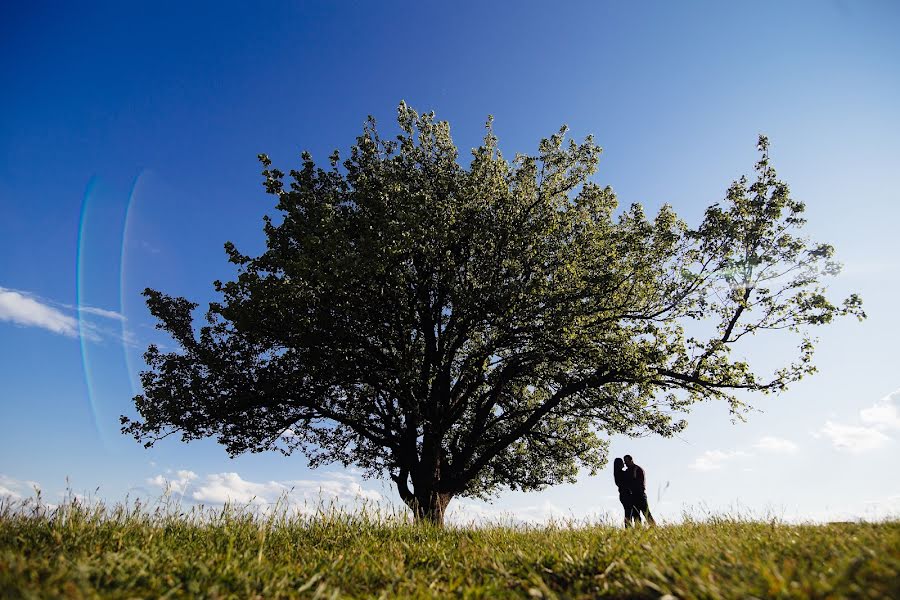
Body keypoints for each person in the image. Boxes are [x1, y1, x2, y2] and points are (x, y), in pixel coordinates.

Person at [624, 454, 655, 525]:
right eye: (625, 462)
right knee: (636, 516)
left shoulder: (637, 469)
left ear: (631, 460)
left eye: (626, 461)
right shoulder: (629, 470)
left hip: (640, 495)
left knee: (646, 513)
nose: (625, 463)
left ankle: (654, 527)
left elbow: (639, 483)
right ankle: (638, 530)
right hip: (633, 495)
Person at [613, 457, 637, 527]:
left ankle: (628, 528)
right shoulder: (622, 473)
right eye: (622, 462)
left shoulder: (617, 474)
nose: (624, 463)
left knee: (628, 512)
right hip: (626, 494)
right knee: (629, 513)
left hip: (623, 495)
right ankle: (628, 528)